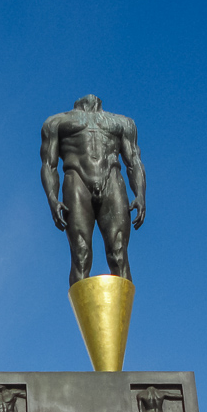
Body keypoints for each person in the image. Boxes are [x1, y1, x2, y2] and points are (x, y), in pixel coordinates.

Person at [40, 94, 146, 286]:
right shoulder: (56, 122)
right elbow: (49, 164)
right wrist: (52, 198)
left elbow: (134, 161)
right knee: (81, 253)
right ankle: (82, 315)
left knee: (119, 253)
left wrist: (140, 194)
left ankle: (120, 315)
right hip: (77, 181)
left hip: (112, 180)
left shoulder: (123, 122)